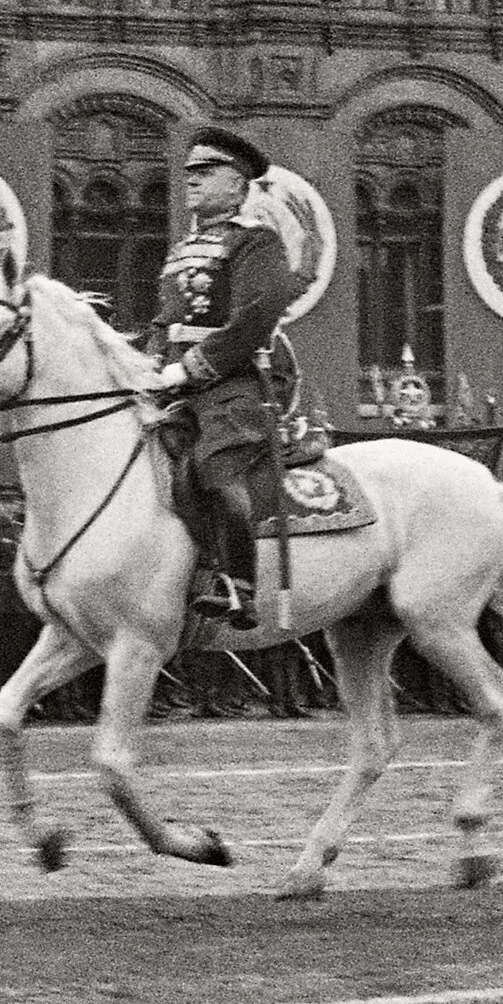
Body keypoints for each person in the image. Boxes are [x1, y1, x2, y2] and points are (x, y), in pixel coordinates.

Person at [139, 127, 298, 630]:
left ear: (238, 184)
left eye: (205, 174)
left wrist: (191, 366)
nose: (191, 182)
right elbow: (165, 320)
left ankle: (237, 582)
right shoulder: (183, 248)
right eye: (189, 174)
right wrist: (148, 365)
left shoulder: (256, 241)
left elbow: (258, 315)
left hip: (236, 383)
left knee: (216, 467)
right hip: (179, 385)